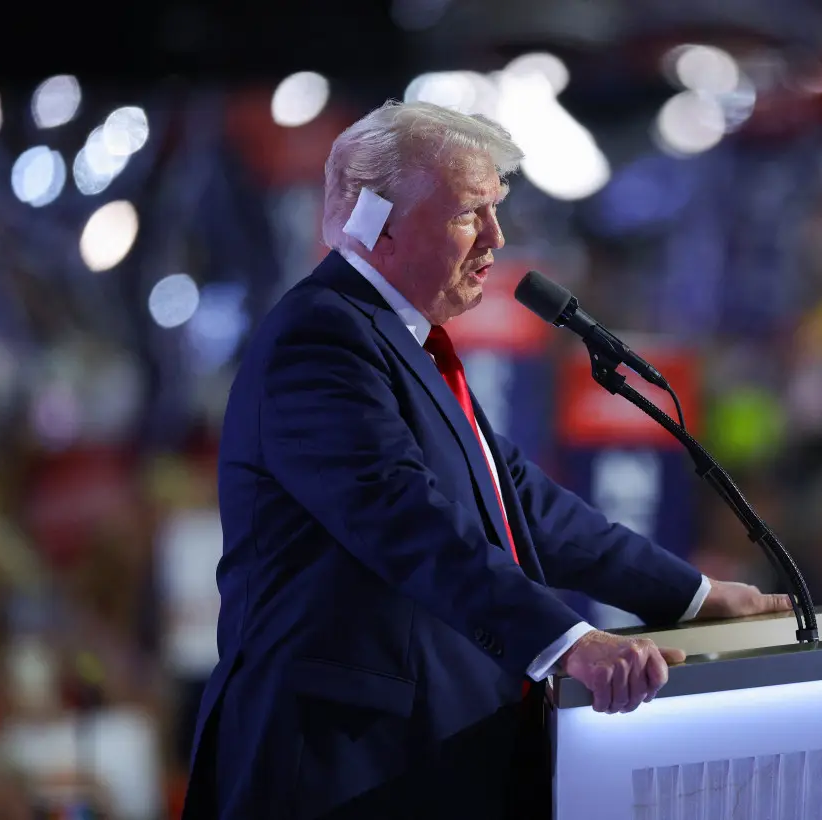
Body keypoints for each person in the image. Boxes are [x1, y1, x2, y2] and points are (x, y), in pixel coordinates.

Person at [182, 100, 791, 820]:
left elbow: (522, 502)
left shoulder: (398, 340)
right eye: (471, 214)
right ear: (374, 222)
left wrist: (692, 596)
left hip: (419, 757)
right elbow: (411, 526)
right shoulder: (319, 342)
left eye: (497, 211)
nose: (498, 241)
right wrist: (569, 643)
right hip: (337, 766)